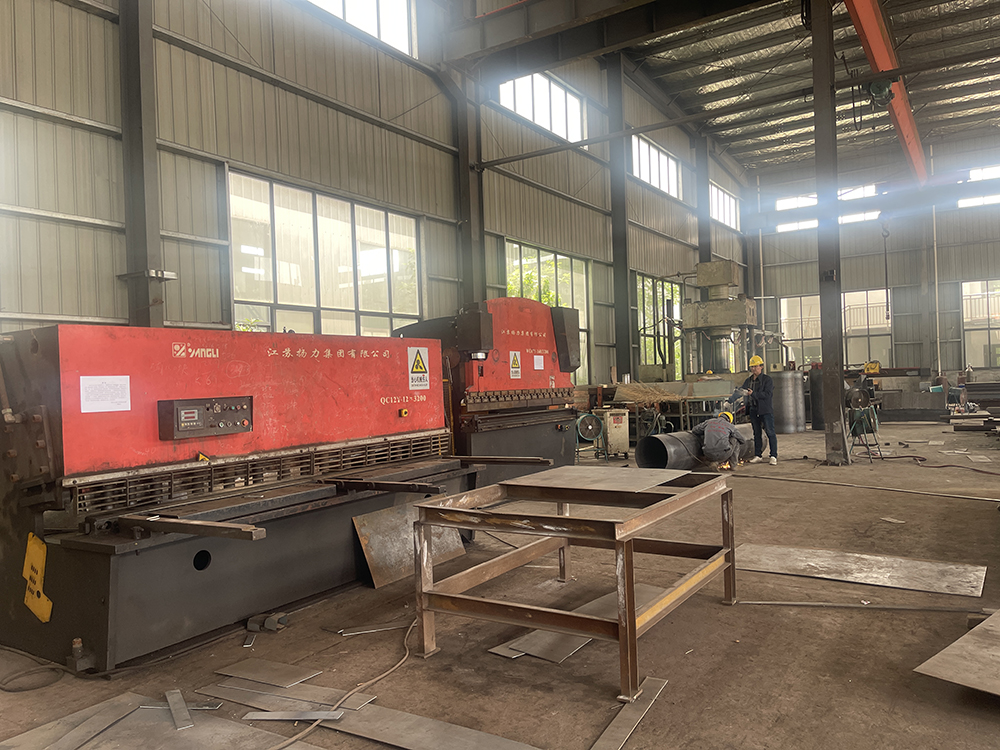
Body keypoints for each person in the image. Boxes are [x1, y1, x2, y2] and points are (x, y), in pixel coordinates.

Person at [742, 355, 777, 465]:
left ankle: (773, 456)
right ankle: (758, 455)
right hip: (753, 410)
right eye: (752, 367)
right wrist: (730, 400)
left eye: (756, 366)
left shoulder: (767, 380)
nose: (754, 369)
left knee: (770, 432)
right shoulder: (748, 381)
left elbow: (767, 394)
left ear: (761, 366)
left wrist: (754, 394)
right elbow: (741, 390)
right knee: (756, 433)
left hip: (765, 410)